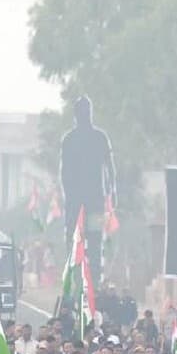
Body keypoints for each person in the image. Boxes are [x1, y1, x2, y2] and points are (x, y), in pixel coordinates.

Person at [59, 94, 117, 286]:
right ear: (77, 115)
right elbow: (64, 172)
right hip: (81, 201)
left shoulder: (97, 137)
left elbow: (110, 167)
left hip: (93, 201)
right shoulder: (71, 139)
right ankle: (77, 282)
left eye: (87, 112)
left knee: (94, 241)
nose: (85, 115)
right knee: (76, 241)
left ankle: (94, 283)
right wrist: (68, 196)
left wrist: (112, 191)